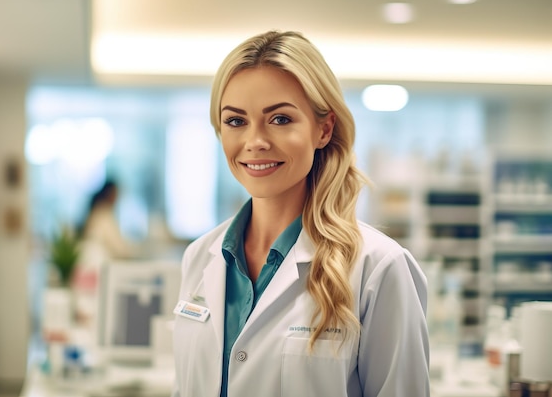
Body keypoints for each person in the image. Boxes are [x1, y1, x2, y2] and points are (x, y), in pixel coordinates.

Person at [171, 30, 430, 397]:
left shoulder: (378, 268)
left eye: (279, 119)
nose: (255, 141)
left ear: (324, 129)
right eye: (235, 121)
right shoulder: (199, 258)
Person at [80, 179, 139, 260]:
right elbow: (118, 247)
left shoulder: (97, 212)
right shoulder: (104, 215)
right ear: (110, 194)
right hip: (106, 262)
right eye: (116, 193)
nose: (118, 197)